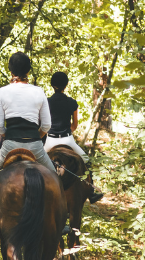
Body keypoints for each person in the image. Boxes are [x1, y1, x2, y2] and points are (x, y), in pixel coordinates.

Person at [0, 52, 58, 238]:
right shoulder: (39, 91)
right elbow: (46, 125)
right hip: (35, 145)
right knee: (54, 176)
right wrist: (35, 137)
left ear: (10, 69)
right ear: (28, 70)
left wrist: (10, 136)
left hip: (10, 145)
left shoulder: (3, 91)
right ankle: (61, 220)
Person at [44, 71, 103, 204]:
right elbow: (74, 125)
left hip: (50, 140)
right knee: (86, 160)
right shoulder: (72, 102)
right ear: (66, 85)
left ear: (52, 85)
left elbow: (44, 124)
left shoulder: (46, 102)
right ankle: (92, 193)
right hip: (67, 140)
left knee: (35, 162)